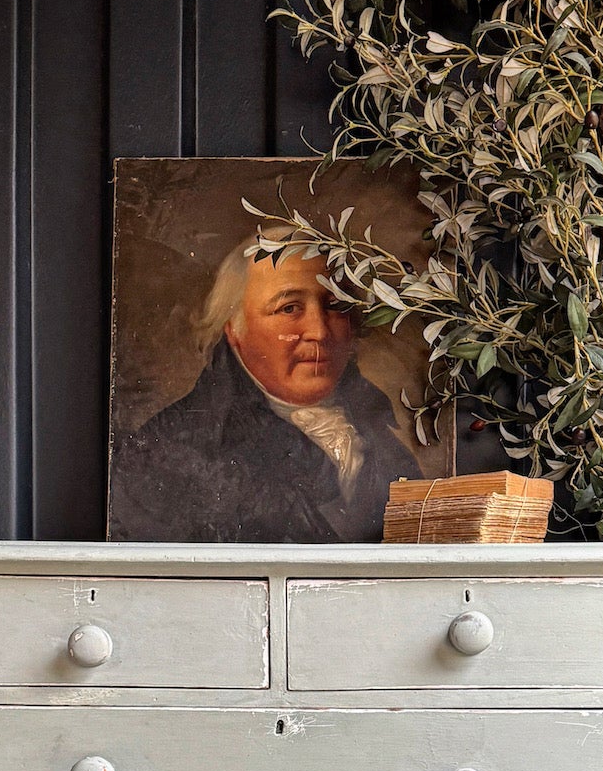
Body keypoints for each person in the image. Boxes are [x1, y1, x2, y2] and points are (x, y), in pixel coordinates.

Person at [110, 229, 421, 542]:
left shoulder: (379, 436)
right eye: (289, 308)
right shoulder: (167, 449)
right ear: (234, 329)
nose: (319, 332)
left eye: (334, 306)